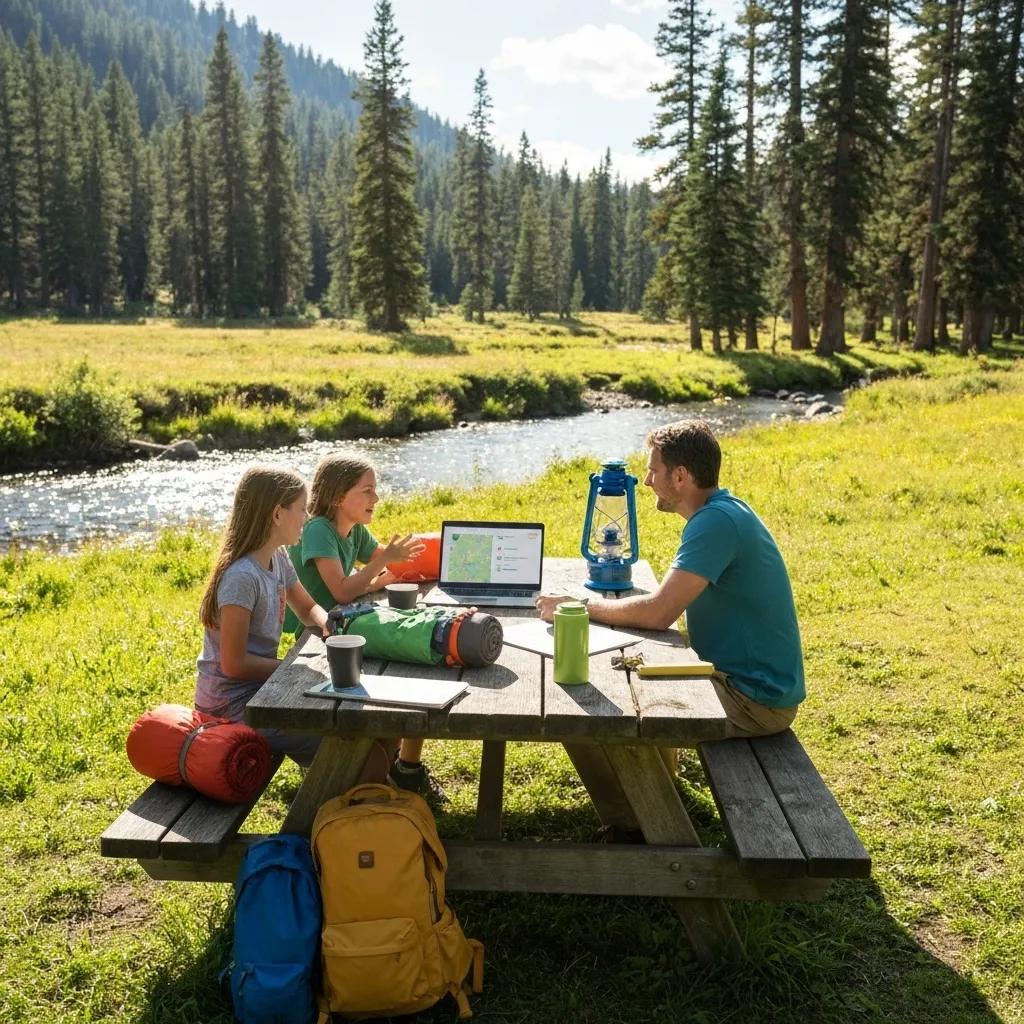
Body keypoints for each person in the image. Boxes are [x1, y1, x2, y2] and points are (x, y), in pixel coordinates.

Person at [536, 420, 805, 836]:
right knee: (625, 677)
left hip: (754, 699)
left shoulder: (714, 524)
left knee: (585, 709)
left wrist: (581, 607)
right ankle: (655, 792)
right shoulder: (722, 512)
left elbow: (659, 613)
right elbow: (665, 605)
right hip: (741, 681)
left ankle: (636, 823)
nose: (645, 481)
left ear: (680, 476)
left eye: (653, 470)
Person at [283, 452, 444, 801]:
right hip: (317, 638)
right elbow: (341, 589)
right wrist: (382, 567)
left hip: (348, 628)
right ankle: (360, 770)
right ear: (340, 496)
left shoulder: (355, 531)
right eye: (367, 491)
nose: (376, 498)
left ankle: (398, 767)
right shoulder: (318, 530)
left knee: (412, 667)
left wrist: (420, 566)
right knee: (409, 659)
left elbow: (386, 568)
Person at [194, 464, 331, 769]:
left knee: (350, 720)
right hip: (230, 707)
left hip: (261, 690)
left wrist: (328, 623)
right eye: (301, 508)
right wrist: (293, 671)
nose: (306, 518)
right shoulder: (242, 577)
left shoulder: (277, 557)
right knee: (340, 736)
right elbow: (234, 663)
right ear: (277, 514)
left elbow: (307, 607)